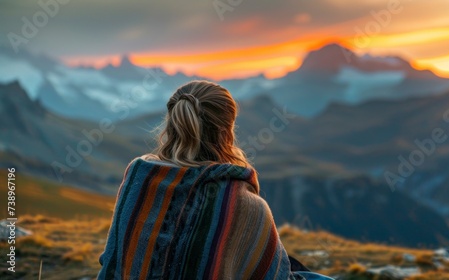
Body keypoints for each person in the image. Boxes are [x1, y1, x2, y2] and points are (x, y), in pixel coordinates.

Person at [97, 81, 334, 279]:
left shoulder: (138, 179)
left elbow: (113, 260)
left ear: (172, 123)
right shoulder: (244, 205)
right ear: (227, 133)